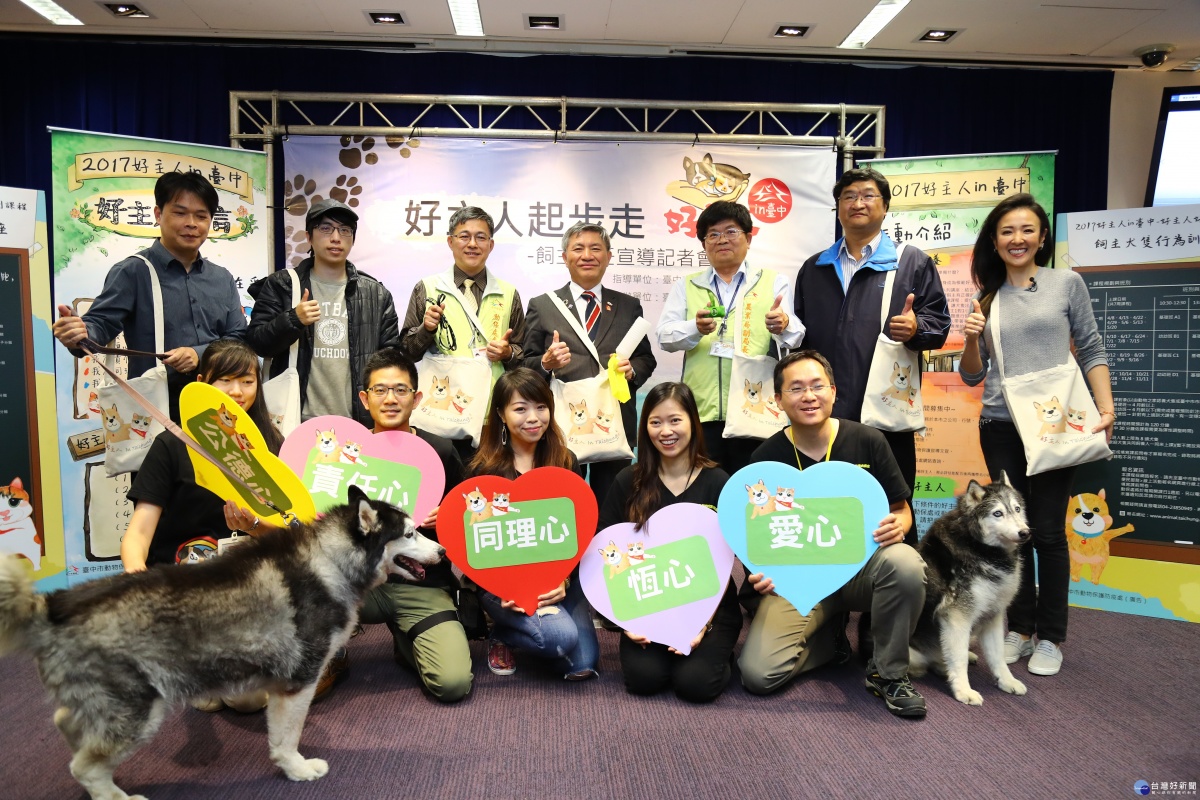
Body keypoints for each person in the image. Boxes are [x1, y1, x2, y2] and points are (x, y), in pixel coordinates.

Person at [959, 193, 1114, 678]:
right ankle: (1019, 629)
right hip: (1001, 426)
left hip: (1052, 427)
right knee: (1011, 533)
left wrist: (1105, 407)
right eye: (1007, 231)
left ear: (1042, 237)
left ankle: (1050, 637)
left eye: (1026, 230)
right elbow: (970, 376)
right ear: (995, 241)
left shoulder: (1066, 283)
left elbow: (1090, 347)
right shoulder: (986, 298)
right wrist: (968, 337)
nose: (1017, 239)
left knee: (1046, 531)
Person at [737, 350, 928, 719]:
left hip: (861, 571)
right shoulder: (765, 458)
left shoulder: (869, 440)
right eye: (795, 389)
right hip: (800, 580)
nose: (808, 396)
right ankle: (829, 640)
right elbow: (753, 530)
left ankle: (887, 673)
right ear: (777, 400)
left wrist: (899, 525)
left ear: (834, 391)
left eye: (816, 386)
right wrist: (756, 571)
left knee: (905, 564)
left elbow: (901, 509)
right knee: (757, 676)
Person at [120, 339, 286, 713]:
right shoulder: (170, 445)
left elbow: (289, 535)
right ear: (201, 383)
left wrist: (256, 527)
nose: (236, 392)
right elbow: (140, 532)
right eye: (223, 380)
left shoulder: (272, 446)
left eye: (246, 381)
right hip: (185, 586)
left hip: (247, 587)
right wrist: (136, 580)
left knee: (247, 700)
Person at [792, 167, 950, 513]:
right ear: (837, 208)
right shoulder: (814, 268)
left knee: (891, 509)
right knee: (824, 511)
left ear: (885, 206)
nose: (857, 203)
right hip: (824, 416)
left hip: (886, 417)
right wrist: (781, 329)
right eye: (848, 196)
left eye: (867, 195)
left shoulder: (911, 263)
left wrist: (916, 329)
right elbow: (799, 340)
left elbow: (939, 325)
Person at [52, 172, 247, 422]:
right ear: (158, 214)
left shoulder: (222, 278)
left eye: (201, 216)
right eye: (180, 213)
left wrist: (198, 353)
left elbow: (238, 339)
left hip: (218, 410)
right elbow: (100, 323)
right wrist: (79, 334)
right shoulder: (134, 271)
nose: (192, 223)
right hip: (154, 412)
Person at [597, 382, 741, 703]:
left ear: (693, 421)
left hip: (710, 606)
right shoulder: (629, 481)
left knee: (695, 685)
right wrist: (624, 621)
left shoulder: (719, 482)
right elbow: (604, 552)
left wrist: (702, 622)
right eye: (655, 422)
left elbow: (730, 557)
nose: (666, 431)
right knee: (644, 680)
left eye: (675, 420)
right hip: (647, 599)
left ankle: (721, 656)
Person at [353, 348, 473, 702]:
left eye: (401, 390)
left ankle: (408, 639)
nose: (390, 399)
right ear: (365, 398)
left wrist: (446, 519)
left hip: (421, 584)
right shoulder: (346, 451)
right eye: (380, 390)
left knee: (452, 684)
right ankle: (334, 656)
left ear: (417, 397)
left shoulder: (440, 450)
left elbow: (469, 520)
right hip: (360, 584)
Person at [467, 368, 598, 680]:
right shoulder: (484, 471)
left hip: (559, 577)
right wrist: (506, 586)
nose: (533, 418)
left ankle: (510, 631)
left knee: (583, 664)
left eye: (541, 407)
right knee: (559, 639)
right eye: (520, 408)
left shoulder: (566, 462)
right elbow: (475, 542)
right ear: (500, 413)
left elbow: (579, 531)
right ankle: (504, 634)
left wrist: (562, 580)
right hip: (503, 585)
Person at [657, 200, 804, 475]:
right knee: (704, 493)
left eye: (731, 231)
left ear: (748, 238)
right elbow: (664, 336)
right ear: (704, 243)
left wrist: (782, 325)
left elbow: (795, 337)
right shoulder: (687, 285)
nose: (722, 240)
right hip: (701, 411)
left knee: (754, 489)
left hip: (756, 411)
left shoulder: (773, 281)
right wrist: (694, 328)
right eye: (713, 234)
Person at [523, 221, 657, 508]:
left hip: (615, 422)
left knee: (615, 503)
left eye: (596, 248)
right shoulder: (543, 305)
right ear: (565, 257)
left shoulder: (628, 305)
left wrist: (632, 370)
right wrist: (546, 363)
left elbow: (646, 358)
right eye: (578, 248)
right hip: (563, 424)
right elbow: (523, 364)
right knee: (561, 502)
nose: (587, 255)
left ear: (608, 256)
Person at [246, 199, 400, 427]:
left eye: (345, 230)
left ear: (353, 239)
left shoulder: (376, 294)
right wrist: (292, 319)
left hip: (358, 422)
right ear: (309, 236)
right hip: (294, 420)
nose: (336, 238)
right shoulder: (283, 285)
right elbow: (256, 343)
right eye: (326, 228)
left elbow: (391, 360)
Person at [399, 206, 528, 459]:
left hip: (490, 413)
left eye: (481, 237)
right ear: (450, 241)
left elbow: (525, 355)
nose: (472, 244)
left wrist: (507, 353)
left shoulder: (508, 293)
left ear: (491, 245)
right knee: (441, 489)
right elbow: (406, 351)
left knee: (486, 491)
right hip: (439, 412)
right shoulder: (427, 288)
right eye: (464, 236)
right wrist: (426, 330)